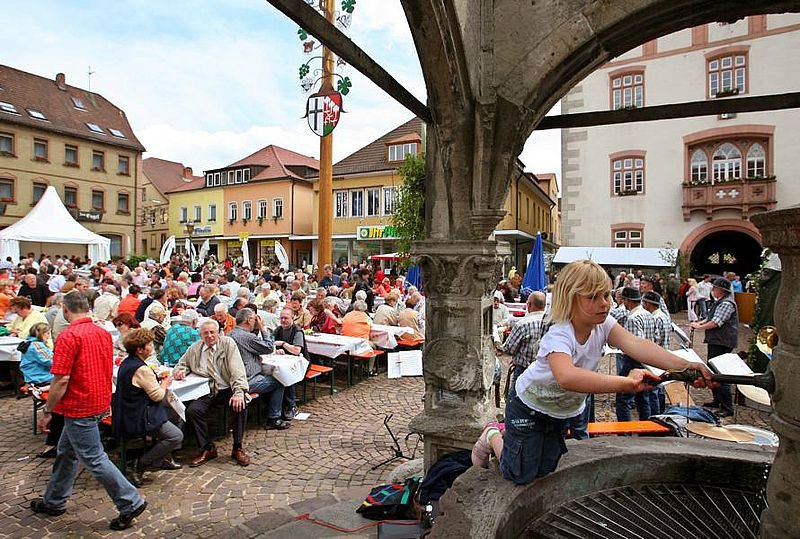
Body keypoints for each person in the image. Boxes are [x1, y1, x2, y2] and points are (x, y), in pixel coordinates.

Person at [471, 260, 714, 484]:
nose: (605, 303)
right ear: (570, 299)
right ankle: (493, 434)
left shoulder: (604, 324)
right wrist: (625, 383)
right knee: (519, 473)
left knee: (546, 470)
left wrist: (684, 365)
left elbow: (638, 345)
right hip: (529, 406)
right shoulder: (560, 334)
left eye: (607, 295)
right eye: (593, 297)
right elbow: (567, 377)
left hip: (560, 411)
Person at [30, 292, 147, 530]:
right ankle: (54, 500)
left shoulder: (68, 336)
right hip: (98, 402)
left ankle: (130, 501)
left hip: (80, 406)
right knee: (67, 452)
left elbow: (61, 379)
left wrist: (49, 410)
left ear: (65, 309)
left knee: (93, 458)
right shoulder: (102, 333)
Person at [173, 319, 251, 467]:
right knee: (192, 411)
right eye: (205, 333)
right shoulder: (195, 349)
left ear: (218, 333)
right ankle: (207, 448)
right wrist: (180, 372)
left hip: (226, 388)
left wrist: (239, 391)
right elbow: (181, 365)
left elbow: (237, 370)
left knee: (241, 405)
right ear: (200, 335)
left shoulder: (227, 344)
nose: (209, 336)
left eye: (212, 332)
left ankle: (237, 447)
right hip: (206, 390)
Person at [112, 329, 183, 486]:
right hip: (137, 416)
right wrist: (165, 383)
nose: (152, 347)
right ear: (140, 349)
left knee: (177, 414)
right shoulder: (142, 369)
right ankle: (141, 464)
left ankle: (164, 457)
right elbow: (157, 395)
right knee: (176, 436)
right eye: (149, 344)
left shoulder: (127, 362)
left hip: (126, 410)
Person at [229, 308, 289, 430]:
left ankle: (265, 410)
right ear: (249, 320)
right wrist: (262, 328)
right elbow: (268, 347)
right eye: (254, 319)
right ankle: (274, 417)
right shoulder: (247, 337)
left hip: (234, 378)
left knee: (269, 377)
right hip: (248, 380)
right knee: (280, 381)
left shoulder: (230, 334)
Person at [690, 278, 738, 417]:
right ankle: (717, 401)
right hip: (717, 341)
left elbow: (717, 322)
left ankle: (727, 407)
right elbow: (710, 317)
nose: (713, 290)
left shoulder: (727, 303)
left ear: (721, 290)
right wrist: (699, 323)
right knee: (712, 371)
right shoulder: (720, 301)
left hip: (722, 342)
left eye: (715, 288)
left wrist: (700, 327)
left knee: (720, 374)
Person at [19, 322, 64, 458]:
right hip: (40, 378)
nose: (48, 336)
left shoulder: (29, 343)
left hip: (33, 376)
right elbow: (52, 360)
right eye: (47, 333)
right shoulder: (37, 345)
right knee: (64, 382)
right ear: (42, 334)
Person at [615, 287, 657, 422]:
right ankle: (646, 431)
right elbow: (655, 338)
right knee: (643, 399)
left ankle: (624, 433)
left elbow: (635, 345)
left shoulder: (633, 318)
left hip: (634, 361)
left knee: (623, 399)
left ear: (627, 300)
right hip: (648, 359)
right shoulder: (648, 314)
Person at [503, 291, 547, 392]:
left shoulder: (522, 324)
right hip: (546, 372)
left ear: (529, 304)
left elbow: (509, 349)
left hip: (524, 371)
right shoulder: (552, 323)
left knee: (518, 402)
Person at [272, 307, 309, 421]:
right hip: (284, 362)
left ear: (292, 318)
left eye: (286, 318)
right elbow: (269, 343)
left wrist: (283, 344)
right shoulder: (278, 329)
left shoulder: (297, 331)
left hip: (301, 364)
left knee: (288, 375)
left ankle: (291, 406)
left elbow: (297, 350)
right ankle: (275, 405)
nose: (283, 320)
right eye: (281, 318)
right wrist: (275, 350)